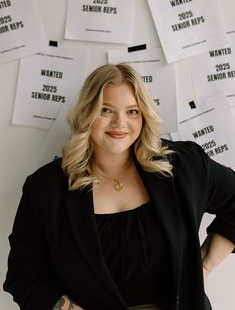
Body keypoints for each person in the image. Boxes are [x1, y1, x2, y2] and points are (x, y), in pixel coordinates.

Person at [3, 63, 235, 310]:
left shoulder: (183, 166)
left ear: (144, 114)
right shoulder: (45, 189)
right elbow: (23, 276)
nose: (119, 123)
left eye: (132, 111)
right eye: (105, 110)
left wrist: (203, 267)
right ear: (87, 113)